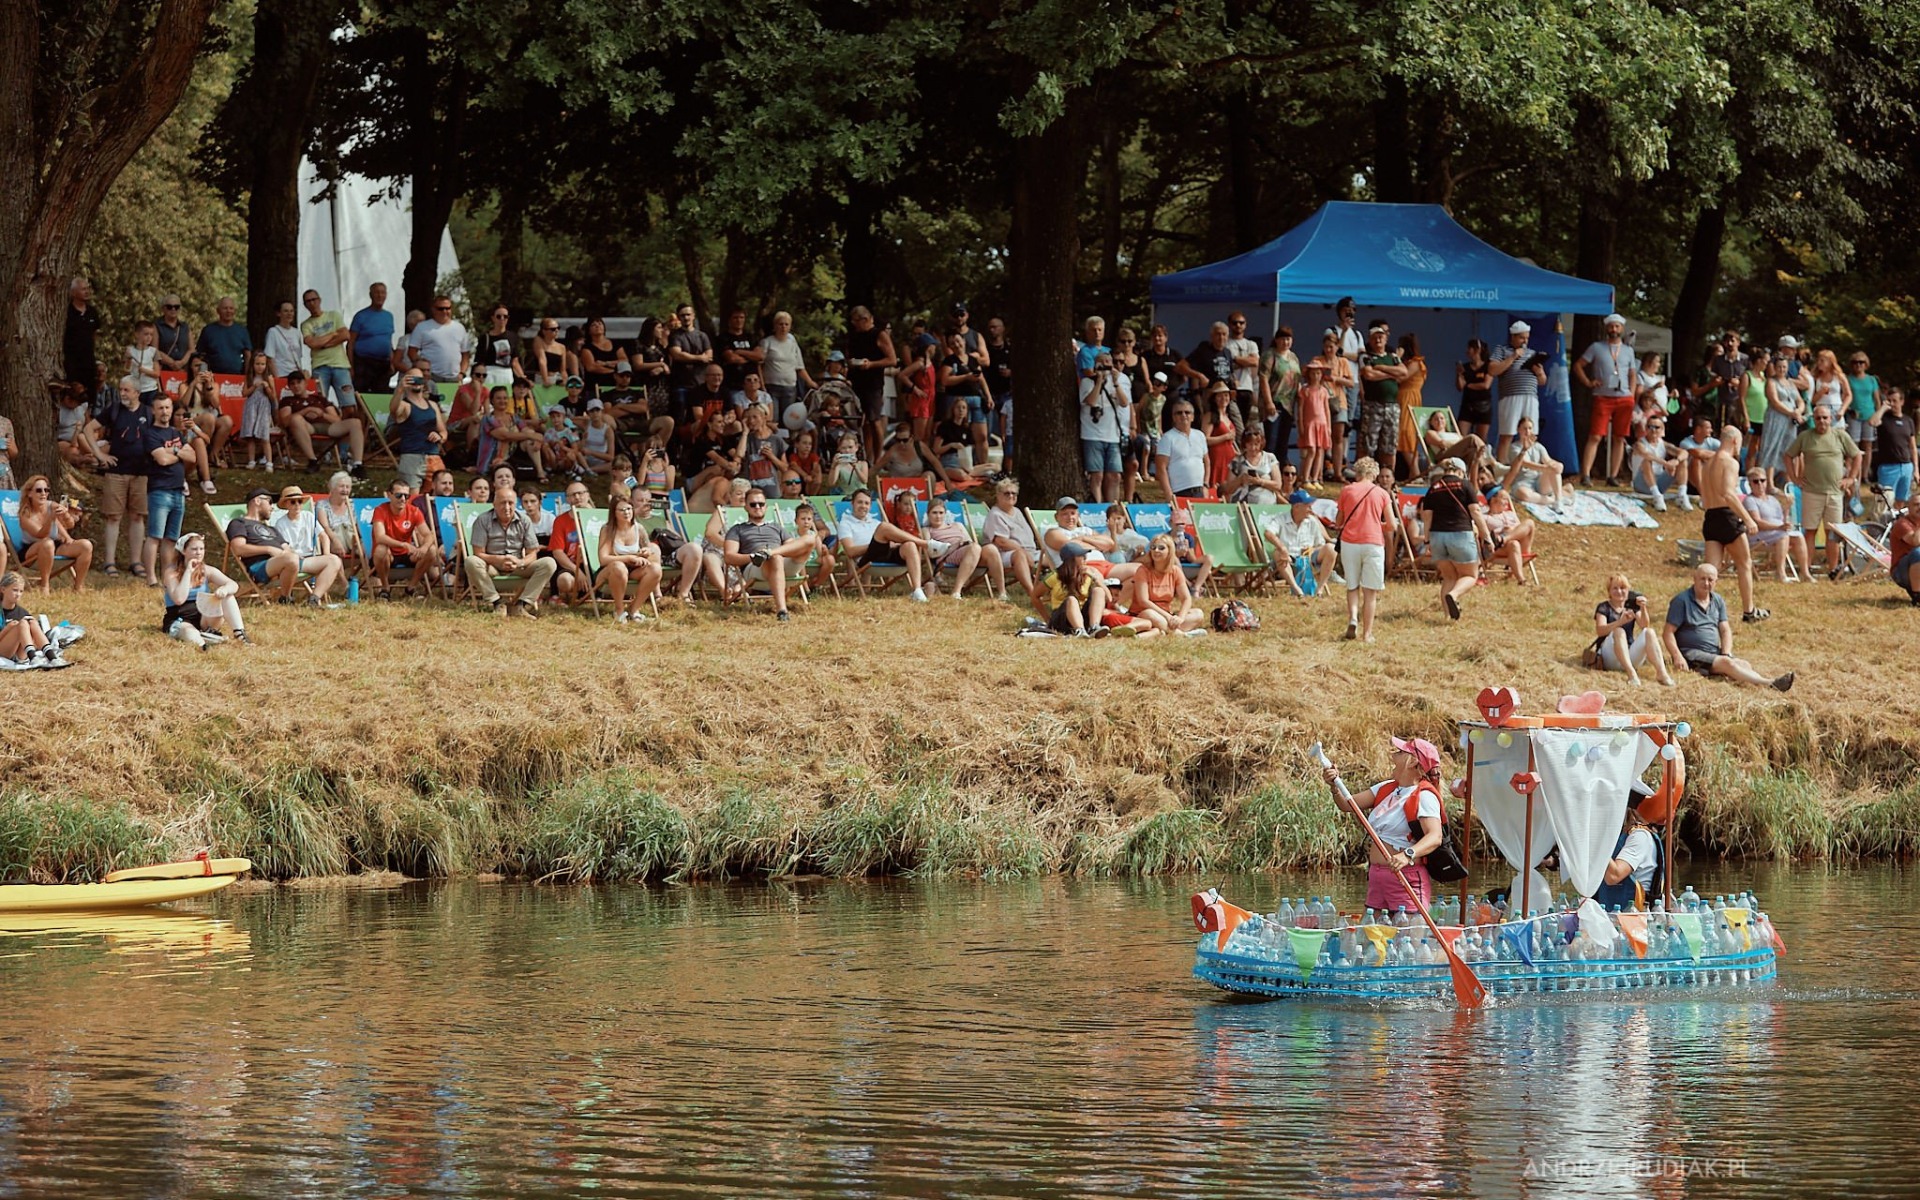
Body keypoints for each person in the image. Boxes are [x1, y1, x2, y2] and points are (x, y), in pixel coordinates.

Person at [1323, 737, 1445, 917]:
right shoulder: (1386, 788)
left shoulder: (1425, 796)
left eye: (1400, 752)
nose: (1393, 755)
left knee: (1407, 933)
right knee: (1371, 932)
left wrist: (1407, 854)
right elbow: (1347, 804)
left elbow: (1435, 837)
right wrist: (1334, 786)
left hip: (1405, 877)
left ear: (1412, 762)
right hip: (1377, 876)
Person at [1662, 563, 1793, 690]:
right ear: (1694, 579)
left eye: (1710, 580)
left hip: (1713, 652)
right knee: (1727, 663)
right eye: (1702, 579)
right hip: (1691, 654)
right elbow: (1668, 633)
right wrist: (1677, 656)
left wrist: (1726, 652)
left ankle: (1762, 682)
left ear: (1716, 582)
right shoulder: (1681, 601)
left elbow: (1725, 630)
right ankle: (1770, 683)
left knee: (1744, 664)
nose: (1706, 583)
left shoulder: (1718, 600)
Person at [1784, 403, 1863, 580]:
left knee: (1832, 533)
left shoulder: (1840, 435)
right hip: (1811, 492)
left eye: (1825, 418)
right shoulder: (1805, 436)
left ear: (1831, 419)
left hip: (1835, 493)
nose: (1821, 421)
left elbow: (1857, 455)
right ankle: (1806, 569)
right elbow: (1788, 456)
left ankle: (1833, 570)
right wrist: (1794, 478)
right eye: (1818, 418)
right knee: (1810, 531)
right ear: (1813, 419)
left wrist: (1851, 478)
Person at [84, 376, 152, 579]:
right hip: (115, 472)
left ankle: (136, 562)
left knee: (137, 516)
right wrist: (99, 454)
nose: (122, 393)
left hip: (141, 473)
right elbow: (88, 429)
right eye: (121, 389)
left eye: (127, 390)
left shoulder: (148, 412)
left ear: (137, 393)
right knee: (113, 517)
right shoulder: (113, 410)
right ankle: (109, 562)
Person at [1699, 426, 1767, 622]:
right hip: (1727, 516)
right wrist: (1748, 519)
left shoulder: (1708, 463)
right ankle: (1749, 611)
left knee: (1710, 571)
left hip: (1710, 516)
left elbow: (1705, 495)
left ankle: (1702, 610)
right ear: (1735, 441)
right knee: (1744, 563)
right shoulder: (1729, 462)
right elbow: (1728, 493)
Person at [465, 485, 556, 616]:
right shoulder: (483, 520)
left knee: (549, 563)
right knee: (471, 561)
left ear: (516, 504)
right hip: (492, 567)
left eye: (510, 503)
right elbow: (478, 553)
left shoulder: (524, 520)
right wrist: (499, 560)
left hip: (517, 567)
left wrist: (520, 562)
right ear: (494, 504)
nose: (507, 507)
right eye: (502, 503)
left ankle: (522, 605)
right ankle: (497, 603)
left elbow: (532, 553)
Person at [1419, 457, 1488, 621]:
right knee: (1470, 576)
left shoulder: (1433, 488)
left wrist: (1427, 540)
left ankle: (1447, 617)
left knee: (1449, 577)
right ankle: (1454, 594)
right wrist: (1486, 536)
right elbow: (1475, 512)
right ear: (1461, 471)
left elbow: (1427, 517)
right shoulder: (1465, 485)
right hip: (1460, 534)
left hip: (1437, 536)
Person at [834, 486, 932, 602]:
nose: (863, 506)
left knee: (909, 545)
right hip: (867, 558)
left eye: (866, 503)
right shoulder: (845, 524)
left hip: (886, 553)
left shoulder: (875, 522)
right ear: (852, 504)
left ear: (870, 506)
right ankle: (925, 543)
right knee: (884, 527)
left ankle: (917, 591)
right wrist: (874, 545)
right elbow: (850, 551)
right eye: (860, 502)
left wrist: (891, 544)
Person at [1334, 457, 1393, 642]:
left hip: (1350, 542)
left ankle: (1353, 618)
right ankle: (1367, 634)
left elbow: (1338, 521)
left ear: (1357, 473)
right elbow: (1391, 525)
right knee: (1370, 592)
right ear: (1374, 474)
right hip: (1373, 542)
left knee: (1352, 586)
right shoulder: (1382, 493)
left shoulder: (1347, 490)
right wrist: (1377, 524)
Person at [1575, 314, 1637, 486]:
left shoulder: (1628, 351)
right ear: (1606, 328)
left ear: (1622, 328)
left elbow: (1632, 374)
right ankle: (1586, 474)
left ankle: (1613, 476)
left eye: (1617, 326)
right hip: (1602, 397)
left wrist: (1631, 395)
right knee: (1596, 436)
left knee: (1619, 437)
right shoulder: (1597, 347)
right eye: (1611, 326)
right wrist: (1588, 382)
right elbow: (1578, 365)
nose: (1614, 329)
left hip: (1624, 398)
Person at [160, 532, 248, 649]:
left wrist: (224, 589)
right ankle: (203, 643)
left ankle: (240, 634)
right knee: (189, 633)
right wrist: (188, 571)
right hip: (180, 618)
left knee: (228, 596)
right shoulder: (171, 573)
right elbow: (179, 599)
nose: (199, 552)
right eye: (194, 549)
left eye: (201, 549)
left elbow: (233, 585)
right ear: (183, 551)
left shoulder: (206, 570)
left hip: (204, 616)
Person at [1589, 573, 1674, 687]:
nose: (1619, 591)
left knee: (1649, 632)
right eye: (1615, 588)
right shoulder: (1603, 607)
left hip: (1629, 655)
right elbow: (1600, 631)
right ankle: (1632, 674)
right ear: (1609, 591)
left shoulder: (1631, 607)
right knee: (1619, 631)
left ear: (1628, 590)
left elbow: (1644, 625)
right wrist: (1620, 622)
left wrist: (1643, 608)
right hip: (1610, 656)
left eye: (1623, 588)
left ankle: (1662, 673)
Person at [723, 487, 796, 619]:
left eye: (761, 504)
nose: (757, 507)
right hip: (755, 567)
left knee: (810, 539)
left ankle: (770, 553)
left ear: (766, 507)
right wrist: (752, 557)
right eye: (753, 504)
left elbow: (793, 546)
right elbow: (729, 557)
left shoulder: (776, 527)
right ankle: (782, 610)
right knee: (775, 558)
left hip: (783, 563)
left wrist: (771, 553)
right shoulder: (737, 529)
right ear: (746, 507)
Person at [13, 476, 92, 591]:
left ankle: (78, 586)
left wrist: (66, 515)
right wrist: (51, 519)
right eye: (39, 490)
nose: (43, 493)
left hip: (54, 545)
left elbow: (70, 525)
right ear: (29, 493)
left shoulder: (51, 505)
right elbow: (41, 535)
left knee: (86, 545)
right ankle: (44, 585)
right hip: (31, 550)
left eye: (46, 490)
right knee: (47, 543)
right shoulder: (25, 515)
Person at [269, 485, 345, 604]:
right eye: (293, 502)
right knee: (329, 561)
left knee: (334, 560)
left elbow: (324, 536)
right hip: (293, 561)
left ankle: (314, 598)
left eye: (299, 501)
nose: (297, 505)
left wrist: (326, 554)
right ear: (286, 504)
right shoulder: (281, 524)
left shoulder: (309, 516)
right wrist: (295, 556)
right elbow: (284, 548)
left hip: (309, 558)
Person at [369, 477, 443, 597]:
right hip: (388, 555)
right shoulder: (380, 510)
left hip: (406, 554)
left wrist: (424, 547)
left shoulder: (414, 511)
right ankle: (385, 588)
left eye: (406, 496)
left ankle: (411, 588)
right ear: (389, 495)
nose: (403, 499)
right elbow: (380, 537)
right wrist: (403, 544)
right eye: (398, 495)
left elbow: (428, 534)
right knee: (381, 548)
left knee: (432, 550)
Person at [1118, 534, 1204, 636]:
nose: (1156, 550)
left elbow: (1186, 598)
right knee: (1150, 614)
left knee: (1198, 613)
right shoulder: (1143, 570)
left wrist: (1180, 618)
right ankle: (1182, 635)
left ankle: (1166, 629)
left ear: (1169, 551)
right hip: (1144, 613)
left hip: (1166, 615)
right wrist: (1168, 617)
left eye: (1161, 548)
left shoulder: (1175, 571)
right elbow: (1143, 601)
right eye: (1153, 547)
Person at [225, 486, 302, 598]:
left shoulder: (271, 528)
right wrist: (268, 549)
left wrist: (290, 554)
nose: (272, 507)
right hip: (261, 566)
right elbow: (238, 549)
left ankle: (315, 598)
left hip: (286, 561)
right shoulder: (239, 523)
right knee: (292, 559)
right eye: (269, 502)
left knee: (328, 560)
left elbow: (287, 548)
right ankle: (286, 598)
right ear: (257, 501)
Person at [1487, 321, 1546, 464]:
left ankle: (1530, 466)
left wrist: (1539, 372)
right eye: (1521, 338)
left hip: (1531, 397)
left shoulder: (1532, 353)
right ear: (1513, 337)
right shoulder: (1501, 350)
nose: (1525, 341)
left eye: (1527, 338)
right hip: (1510, 397)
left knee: (1530, 434)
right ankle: (1502, 466)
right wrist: (1513, 357)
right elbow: (1492, 370)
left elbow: (1543, 381)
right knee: (1507, 434)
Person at [598, 497, 664, 623]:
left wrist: (646, 551)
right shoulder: (607, 530)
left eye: (629, 509)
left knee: (656, 569)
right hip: (610, 571)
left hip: (633, 570)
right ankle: (619, 611)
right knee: (619, 567)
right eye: (622, 510)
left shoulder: (639, 528)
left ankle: (634, 610)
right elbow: (603, 559)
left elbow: (649, 549)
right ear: (614, 512)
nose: (626, 512)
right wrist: (629, 558)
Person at [1260, 489, 1335, 600]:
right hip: (1289, 560)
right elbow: (1268, 533)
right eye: (1307, 506)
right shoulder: (1281, 519)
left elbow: (1320, 544)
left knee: (1331, 549)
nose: (1310, 509)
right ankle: (1297, 589)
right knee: (1277, 553)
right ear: (1296, 507)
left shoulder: (1312, 521)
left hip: (1309, 560)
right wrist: (1282, 548)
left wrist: (1311, 549)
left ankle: (1320, 589)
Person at [1593, 794, 1663, 911]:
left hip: (1632, 914)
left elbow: (1613, 876)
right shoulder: (1618, 837)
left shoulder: (1639, 836)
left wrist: (1595, 840)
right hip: (1609, 912)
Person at [1356, 320, 1408, 469]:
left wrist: (1382, 368)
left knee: (1390, 444)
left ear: (1385, 338)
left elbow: (1404, 372)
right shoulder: (1365, 357)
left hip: (1392, 406)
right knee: (1368, 443)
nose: (1378, 340)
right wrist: (1392, 375)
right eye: (1374, 338)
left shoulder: (1393, 357)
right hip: (1373, 405)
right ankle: (1365, 475)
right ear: (1370, 340)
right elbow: (1369, 375)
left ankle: (1388, 475)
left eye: (1381, 337)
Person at [1741, 470, 1809, 583]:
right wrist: (1779, 528)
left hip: (1775, 532)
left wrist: (1787, 508)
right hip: (1758, 534)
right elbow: (1757, 522)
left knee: (1798, 536)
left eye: (1762, 480)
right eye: (1755, 481)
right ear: (1750, 484)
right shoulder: (1750, 500)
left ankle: (1805, 573)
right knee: (1783, 535)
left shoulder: (1772, 499)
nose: (1760, 484)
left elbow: (1780, 520)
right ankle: (1780, 573)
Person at [980, 477, 1038, 603]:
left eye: (1014, 493)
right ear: (998, 495)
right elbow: (1001, 541)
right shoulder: (995, 514)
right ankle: (1033, 593)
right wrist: (1024, 552)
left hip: (1030, 552)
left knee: (1055, 554)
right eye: (1007, 493)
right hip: (1003, 554)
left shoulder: (1017, 511)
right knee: (1019, 555)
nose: (1011, 496)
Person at [1038, 542, 1108, 636]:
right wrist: (1047, 618)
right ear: (1071, 559)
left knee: (1098, 591)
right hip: (1062, 618)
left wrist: (1095, 579)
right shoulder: (1056, 576)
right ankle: (1080, 630)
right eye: (1081, 555)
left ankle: (1094, 626)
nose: (1085, 558)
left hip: (1082, 615)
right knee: (1071, 599)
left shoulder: (1088, 574)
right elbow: (1035, 596)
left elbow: (1109, 598)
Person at [0, 571, 67, 668]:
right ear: (3, 589)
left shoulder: (22, 612)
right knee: (23, 624)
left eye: (21, 591)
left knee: (32, 622)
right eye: (15, 590)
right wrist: (8, 628)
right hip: (4, 651)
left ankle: (52, 657)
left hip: (20, 654)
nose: (18, 594)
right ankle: (33, 657)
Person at [1628, 414, 1692, 512]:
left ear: (1662, 429)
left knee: (1683, 461)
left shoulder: (1663, 444)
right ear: (1646, 428)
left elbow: (1684, 453)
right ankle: (1656, 496)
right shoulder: (1639, 444)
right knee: (1646, 461)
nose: (1653, 430)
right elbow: (1646, 455)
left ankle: (1682, 495)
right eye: (1650, 427)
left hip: (1659, 481)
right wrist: (1666, 464)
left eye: (1656, 427)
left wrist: (1676, 461)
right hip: (1642, 483)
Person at [922, 496, 983, 598]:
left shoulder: (958, 525)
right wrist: (953, 546)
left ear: (945, 514)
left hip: (967, 553)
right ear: (928, 514)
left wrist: (962, 544)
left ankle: (1002, 593)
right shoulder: (927, 530)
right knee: (975, 548)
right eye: (934, 513)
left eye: (941, 513)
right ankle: (956, 591)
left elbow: (970, 542)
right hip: (947, 557)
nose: (938, 516)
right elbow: (931, 553)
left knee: (991, 550)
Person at [314, 472, 366, 583]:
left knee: (368, 548)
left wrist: (363, 540)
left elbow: (358, 526)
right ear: (332, 488)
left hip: (352, 538)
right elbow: (325, 527)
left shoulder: (352, 505)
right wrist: (335, 540)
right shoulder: (322, 505)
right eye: (341, 486)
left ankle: (373, 581)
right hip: (333, 536)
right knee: (333, 546)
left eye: (348, 487)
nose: (345, 490)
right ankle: (344, 583)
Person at [1154, 399, 1210, 500]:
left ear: (1192, 417)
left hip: (1200, 491)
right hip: (1179, 491)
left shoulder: (1200, 435)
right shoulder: (1167, 438)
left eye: (1187, 412)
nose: (1183, 415)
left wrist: (1206, 484)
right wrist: (1168, 493)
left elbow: (1207, 462)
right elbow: (1161, 468)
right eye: (1179, 413)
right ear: (1173, 417)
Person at [349, 282, 398, 395]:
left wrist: (392, 362)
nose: (380, 295)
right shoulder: (361, 316)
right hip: (363, 363)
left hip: (383, 363)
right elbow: (351, 343)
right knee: (362, 395)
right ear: (371, 295)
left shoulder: (389, 316)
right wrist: (350, 367)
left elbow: (388, 340)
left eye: (382, 293)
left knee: (381, 395)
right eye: (377, 292)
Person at [408, 296, 471, 383]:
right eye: (440, 309)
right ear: (433, 309)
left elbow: (465, 354)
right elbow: (412, 352)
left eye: (447, 308)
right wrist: (422, 369)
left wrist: (462, 373)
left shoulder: (460, 328)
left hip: (455, 377)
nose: (444, 311)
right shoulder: (422, 327)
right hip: (431, 376)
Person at [1845, 351, 1885, 478]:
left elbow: (1877, 399)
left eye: (1861, 362)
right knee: (1853, 445)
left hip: (1870, 416)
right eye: (1855, 362)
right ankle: (1852, 474)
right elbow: (1844, 397)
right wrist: (1849, 410)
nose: (1858, 365)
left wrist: (1878, 415)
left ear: (1866, 364)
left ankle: (1865, 475)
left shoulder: (1871, 379)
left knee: (1868, 445)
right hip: (1854, 416)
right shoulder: (1848, 379)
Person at [1873, 387, 1915, 502]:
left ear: (1902, 402)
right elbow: (1872, 422)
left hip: (1906, 466)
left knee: (1902, 500)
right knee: (1885, 501)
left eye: (1894, 401)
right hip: (1888, 467)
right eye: (1889, 400)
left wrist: (1916, 469)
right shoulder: (1883, 419)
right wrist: (1883, 408)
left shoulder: (1908, 420)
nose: (1891, 404)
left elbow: (1912, 446)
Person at [1224, 428, 1286, 504]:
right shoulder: (1237, 461)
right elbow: (1228, 489)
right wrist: (1240, 480)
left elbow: (1278, 485)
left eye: (1256, 444)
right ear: (1245, 444)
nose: (1253, 448)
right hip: (1242, 503)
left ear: (1261, 444)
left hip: (1266, 503)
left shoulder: (1270, 458)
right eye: (1250, 444)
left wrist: (1260, 481)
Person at [1296, 360, 1333, 486]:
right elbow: (1300, 409)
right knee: (1311, 450)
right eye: (1313, 373)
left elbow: (1327, 410)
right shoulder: (1305, 390)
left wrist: (1328, 426)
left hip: (1322, 424)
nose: (1316, 376)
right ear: (1308, 375)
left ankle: (1315, 478)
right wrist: (1301, 424)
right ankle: (1306, 478)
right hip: (1310, 424)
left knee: (1320, 451)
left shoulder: (1324, 391)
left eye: (1318, 373)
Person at [197, 296, 252, 378]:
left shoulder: (242, 331)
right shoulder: (208, 331)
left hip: (237, 377)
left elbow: (248, 356)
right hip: (212, 377)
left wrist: (247, 377)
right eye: (225, 308)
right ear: (218, 311)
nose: (228, 311)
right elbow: (200, 356)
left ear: (234, 311)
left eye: (231, 308)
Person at [1456, 338, 1493, 441]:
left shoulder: (1488, 366)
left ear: (1477, 350)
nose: (1467, 351)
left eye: (1470, 348)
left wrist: (1468, 385)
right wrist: (1459, 374)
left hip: (1484, 406)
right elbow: (1460, 387)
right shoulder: (1465, 367)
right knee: (1461, 437)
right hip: (1467, 406)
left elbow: (1486, 385)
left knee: (1481, 439)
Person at [1888, 496, 1920, 604]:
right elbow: (1915, 542)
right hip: (1901, 572)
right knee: (1918, 552)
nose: (1919, 507)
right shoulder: (1902, 524)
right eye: (1916, 505)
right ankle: (1917, 597)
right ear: (1908, 508)